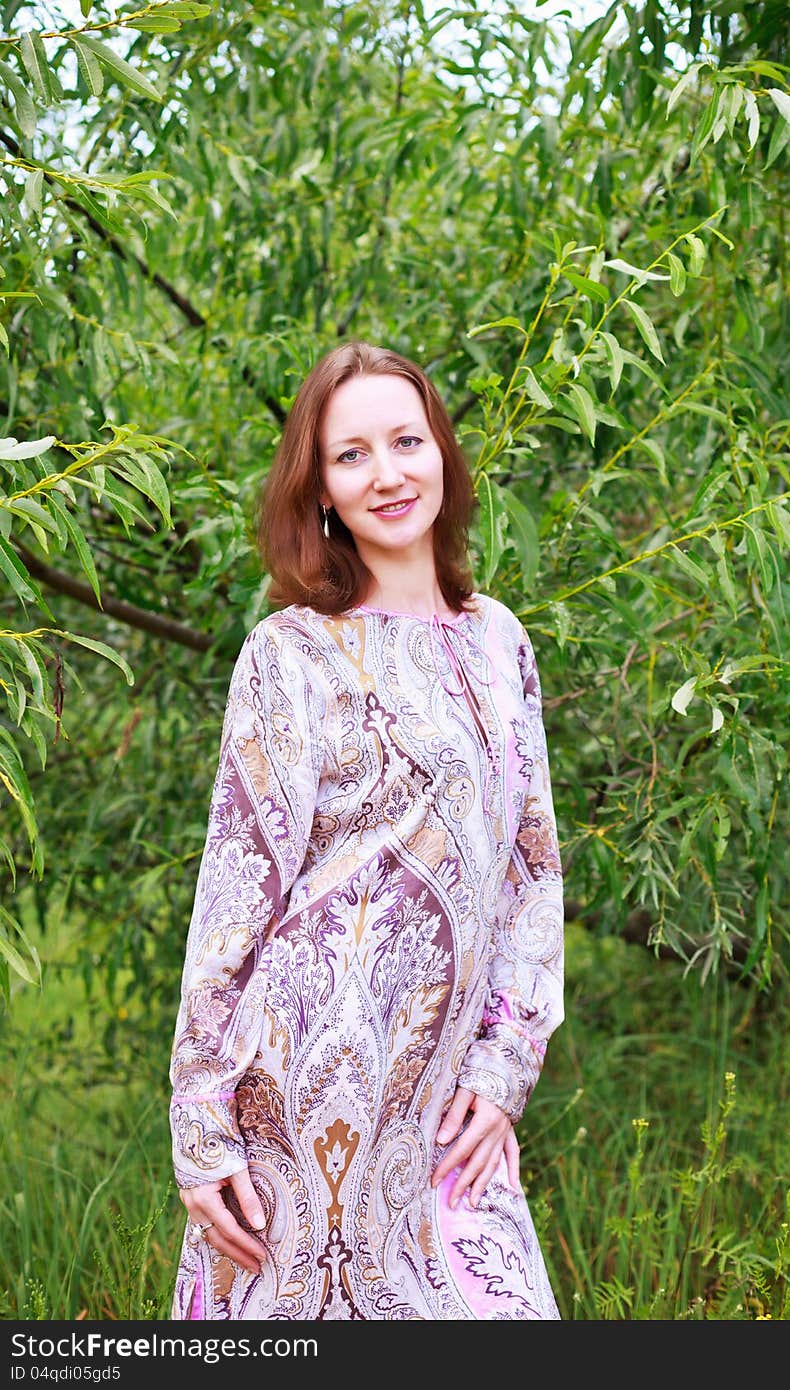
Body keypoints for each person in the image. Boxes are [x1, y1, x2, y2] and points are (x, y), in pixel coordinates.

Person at [167, 340, 565, 1320]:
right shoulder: (288, 654)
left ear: (442, 457)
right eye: (351, 456)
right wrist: (201, 1122)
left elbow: (531, 872)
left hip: (447, 1098)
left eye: (405, 440)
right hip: (302, 1095)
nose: (386, 473)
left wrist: (506, 1061)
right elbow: (237, 890)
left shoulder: (497, 638)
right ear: (322, 494)